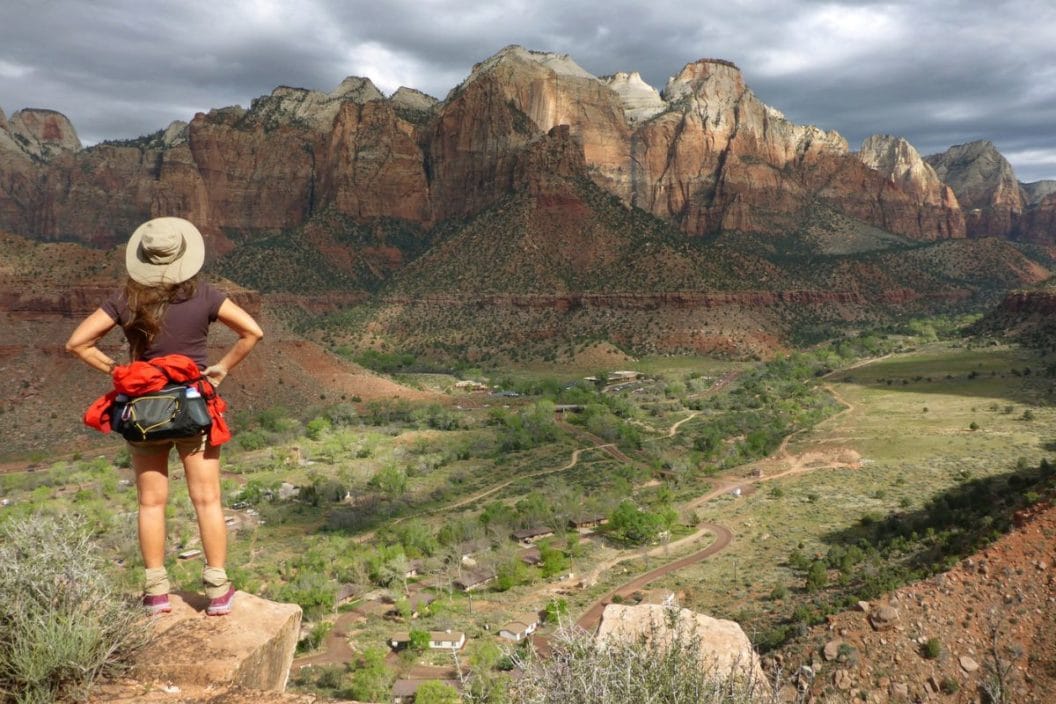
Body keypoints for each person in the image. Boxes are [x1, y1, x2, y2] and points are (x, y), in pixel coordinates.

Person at [66, 216, 263, 616]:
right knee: (207, 499)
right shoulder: (206, 296)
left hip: (143, 413)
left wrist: (117, 372)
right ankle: (217, 590)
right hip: (192, 408)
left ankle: (156, 594)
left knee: (151, 503)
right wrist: (222, 368)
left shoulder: (126, 301)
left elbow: (77, 343)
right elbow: (252, 332)